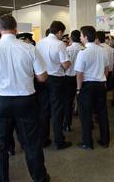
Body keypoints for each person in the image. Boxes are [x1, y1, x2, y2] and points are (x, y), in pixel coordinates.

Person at [0, 15, 49, 181]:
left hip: (1, 101)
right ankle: (39, 177)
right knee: (32, 143)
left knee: (1, 145)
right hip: (26, 101)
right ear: (16, 29)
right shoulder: (29, 48)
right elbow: (43, 77)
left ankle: (3, 179)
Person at [37, 21, 72, 150]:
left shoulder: (40, 43)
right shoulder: (59, 44)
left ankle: (43, 139)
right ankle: (59, 141)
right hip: (56, 80)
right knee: (57, 110)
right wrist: (69, 61)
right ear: (59, 32)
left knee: (44, 110)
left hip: (42, 78)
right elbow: (65, 64)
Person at [75, 26, 110, 149]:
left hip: (87, 87)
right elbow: (107, 69)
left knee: (85, 115)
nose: (80, 38)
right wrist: (102, 79)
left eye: (81, 35)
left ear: (85, 37)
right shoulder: (103, 51)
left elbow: (79, 74)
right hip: (100, 85)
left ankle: (87, 142)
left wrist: (78, 89)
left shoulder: (83, 52)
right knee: (102, 114)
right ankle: (105, 140)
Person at [63, 30, 83, 132]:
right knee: (82, 101)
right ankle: (88, 124)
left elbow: (64, 65)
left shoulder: (67, 49)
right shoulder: (83, 49)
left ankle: (67, 124)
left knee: (68, 102)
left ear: (71, 37)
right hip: (81, 77)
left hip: (69, 78)